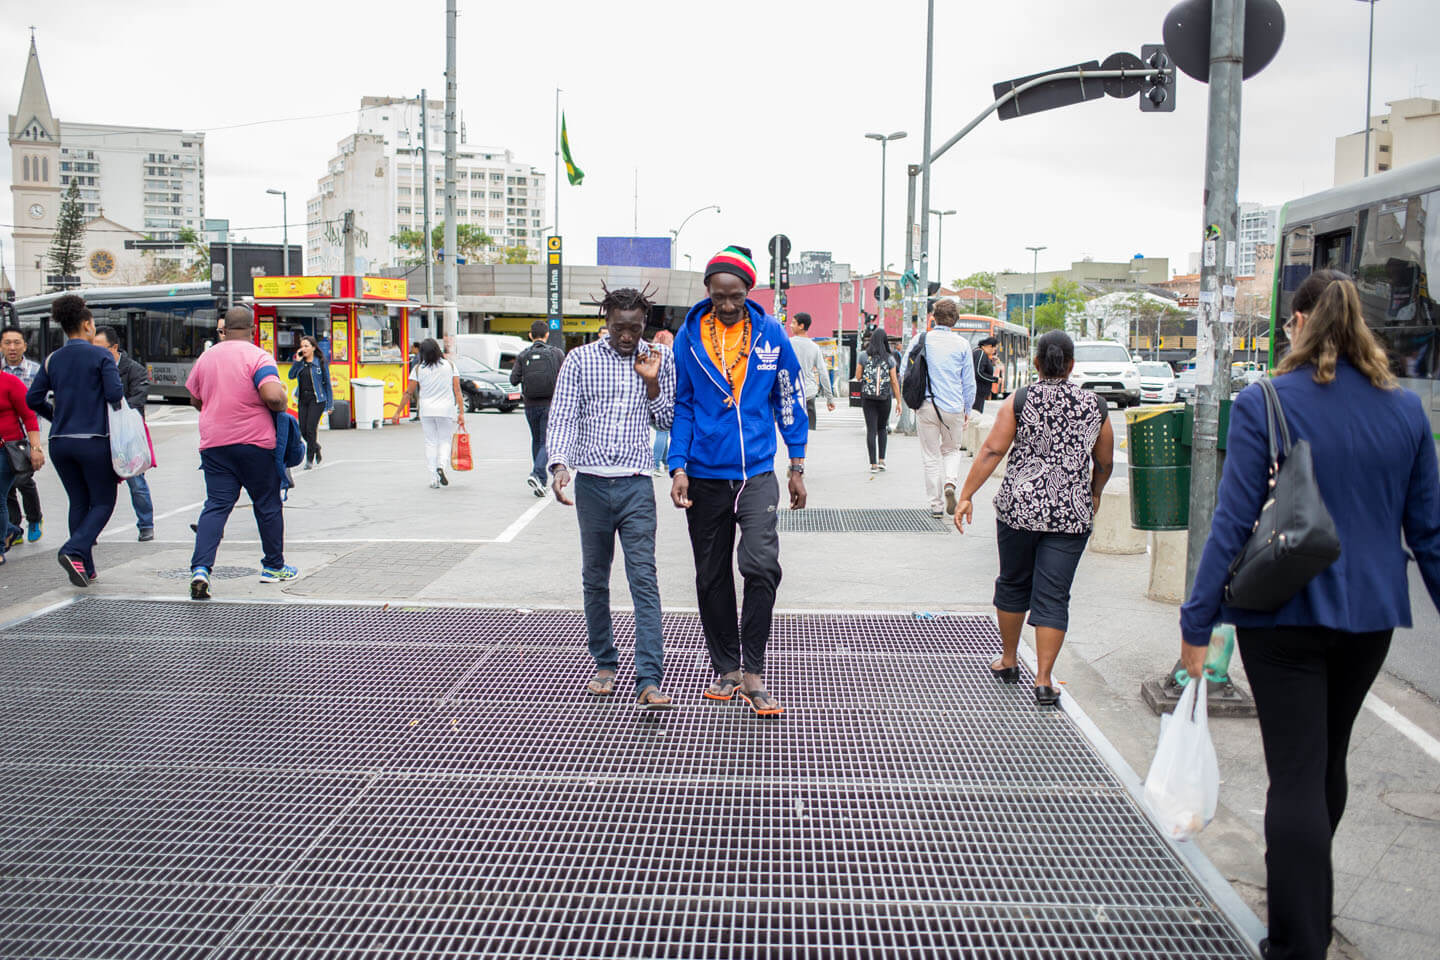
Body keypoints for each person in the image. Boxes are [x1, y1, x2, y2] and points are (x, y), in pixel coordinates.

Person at [1179, 270, 1440, 960]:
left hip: (1283, 614)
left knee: (1294, 773)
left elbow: (1232, 521)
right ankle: (1307, 908)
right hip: (1370, 621)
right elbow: (1430, 534)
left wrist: (1197, 622)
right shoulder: (1406, 411)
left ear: (1298, 323)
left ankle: (1298, 940)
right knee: (1327, 761)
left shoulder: (1266, 400)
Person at [669, 245, 809, 716]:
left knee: (761, 566)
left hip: (757, 475)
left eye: (736, 296)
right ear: (707, 291)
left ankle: (754, 671)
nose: (727, 305)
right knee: (711, 575)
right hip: (704, 475)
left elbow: (788, 398)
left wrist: (797, 464)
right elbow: (683, 405)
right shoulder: (689, 338)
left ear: (750, 291)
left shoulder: (771, 335)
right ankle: (727, 667)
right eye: (718, 297)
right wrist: (678, 465)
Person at [952, 330, 1114, 706]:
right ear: (1071, 365)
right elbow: (1104, 462)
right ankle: (1043, 680)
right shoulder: (1096, 406)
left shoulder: (1021, 399)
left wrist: (966, 495)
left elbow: (992, 451)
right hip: (1070, 514)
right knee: (1054, 595)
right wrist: (1094, 493)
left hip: (1019, 511)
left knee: (1013, 583)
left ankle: (1009, 661)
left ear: (1037, 363)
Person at [548, 285, 676, 707]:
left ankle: (649, 678)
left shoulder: (658, 358)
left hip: (636, 484)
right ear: (606, 322)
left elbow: (667, 420)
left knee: (644, 579)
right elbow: (563, 416)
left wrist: (652, 383)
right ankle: (604, 662)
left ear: (645, 325)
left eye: (635, 329)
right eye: (619, 327)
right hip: (591, 485)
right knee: (595, 578)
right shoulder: (580, 360)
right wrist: (559, 465)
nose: (627, 336)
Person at [185, 306, 296, 600]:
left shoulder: (206, 358)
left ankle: (201, 569)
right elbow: (272, 395)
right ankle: (273, 567)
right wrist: (282, 400)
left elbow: (195, 399)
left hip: (214, 445)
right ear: (253, 329)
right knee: (267, 504)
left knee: (216, 505)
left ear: (224, 330)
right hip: (255, 444)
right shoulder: (258, 357)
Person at [25, 295, 125, 587]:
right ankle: (73, 549)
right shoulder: (101, 356)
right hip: (93, 440)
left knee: (79, 501)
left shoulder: (52, 359)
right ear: (86, 324)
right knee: (103, 502)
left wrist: (55, 416)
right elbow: (115, 395)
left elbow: (33, 398)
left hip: (60, 442)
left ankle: (85, 568)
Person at [904, 299, 976, 518]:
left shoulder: (921, 339)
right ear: (955, 320)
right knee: (952, 450)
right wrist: (967, 409)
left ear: (933, 318)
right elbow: (969, 382)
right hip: (954, 407)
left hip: (926, 405)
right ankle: (950, 483)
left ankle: (936, 505)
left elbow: (904, 370)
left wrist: (912, 399)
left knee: (931, 456)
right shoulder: (962, 344)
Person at [92, 326, 155, 542]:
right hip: (101, 434)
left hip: (127, 436)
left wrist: (115, 410)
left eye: (101, 349)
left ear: (115, 347)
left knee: (136, 483)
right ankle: (91, 530)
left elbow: (139, 397)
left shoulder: (134, 370)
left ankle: (146, 525)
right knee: (96, 485)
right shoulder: (92, 369)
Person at [511, 319, 565, 497]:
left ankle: (540, 482)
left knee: (536, 440)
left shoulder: (523, 355)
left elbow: (513, 380)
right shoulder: (556, 353)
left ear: (530, 335)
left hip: (530, 404)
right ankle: (537, 474)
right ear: (547, 335)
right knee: (546, 442)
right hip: (550, 404)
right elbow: (565, 377)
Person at [0, 360, 44, 566]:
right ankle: (10, 530)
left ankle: (0, 547)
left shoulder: (10, 383)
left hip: (6, 450)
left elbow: (29, 416)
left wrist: (35, 448)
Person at [405, 338, 465, 489]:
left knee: (430, 442)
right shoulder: (450, 366)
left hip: (426, 410)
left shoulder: (418, 369)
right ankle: (441, 466)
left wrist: (397, 412)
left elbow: (409, 392)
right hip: (446, 409)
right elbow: (457, 390)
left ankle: (433, 478)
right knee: (445, 440)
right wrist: (461, 413)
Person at [855, 326, 900, 472]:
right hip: (884, 398)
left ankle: (873, 464)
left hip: (868, 398)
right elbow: (894, 381)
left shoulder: (863, 356)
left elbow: (858, 376)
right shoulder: (890, 358)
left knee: (871, 429)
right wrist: (899, 402)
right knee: (882, 428)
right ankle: (881, 460)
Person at [789, 312, 836, 430]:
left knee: (792, 432)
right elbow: (823, 373)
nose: (790, 325)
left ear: (801, 326)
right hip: (809, 393)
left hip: (791, 393)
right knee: (810, 432)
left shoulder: (787, 343)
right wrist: (829, 398)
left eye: (793, 323)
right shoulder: (815, 347)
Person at [650, 329, 675, 474]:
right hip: (663, 399)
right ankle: (656, 464)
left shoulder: (649, 352)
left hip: (649, 398)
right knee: (662, 432)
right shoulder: (669, 355)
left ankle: (665, 461)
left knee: (662, 433)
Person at [973, 336, 1000, 415]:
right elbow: (978, 372)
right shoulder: (981, 353)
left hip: (977, 392)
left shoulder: (979, 353)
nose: (994, 352)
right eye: (994, 349)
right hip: (977, 391)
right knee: (976, 414)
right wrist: (995, 379)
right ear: (989, 346)